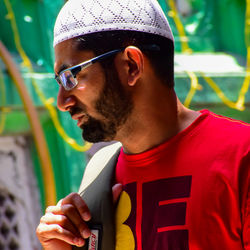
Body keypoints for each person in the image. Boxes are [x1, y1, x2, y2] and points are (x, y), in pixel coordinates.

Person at [36, 0, 250, 249]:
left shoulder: (240, 157)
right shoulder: (100, 178)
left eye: (70, 76)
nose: (62, 101)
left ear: (131, 65)